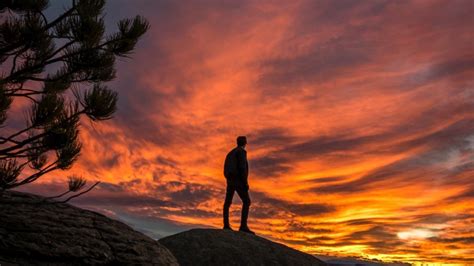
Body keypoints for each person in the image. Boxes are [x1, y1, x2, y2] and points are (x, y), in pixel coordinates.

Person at [223, 136, 254, 234]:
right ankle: (243, 226)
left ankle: (226, 225)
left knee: (227, 202)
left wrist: (229, 179)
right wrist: (245, 182)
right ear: (245, 143)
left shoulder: (231, 153)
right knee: (247, 201)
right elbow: (242, 168)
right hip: (238, 181)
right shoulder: (241, 152)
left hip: (230, 181)